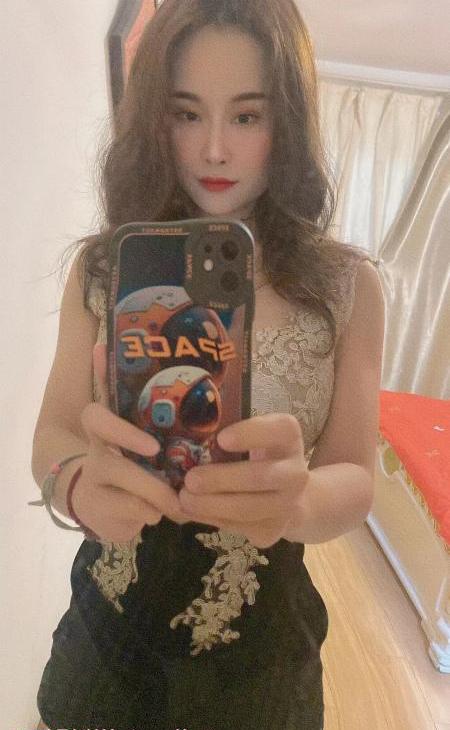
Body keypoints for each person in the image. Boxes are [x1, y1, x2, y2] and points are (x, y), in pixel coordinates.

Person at [31, 1, 385, 728]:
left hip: (260, 655)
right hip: (105, 641)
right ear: (152, 119)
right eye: (186, 114)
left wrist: (297, 503)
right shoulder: (104, 271)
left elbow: (355, 473)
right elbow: (53, 437)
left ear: (288, 122)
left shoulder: (349, 287)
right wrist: (76, 488)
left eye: (247, 116)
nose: (215, 149)